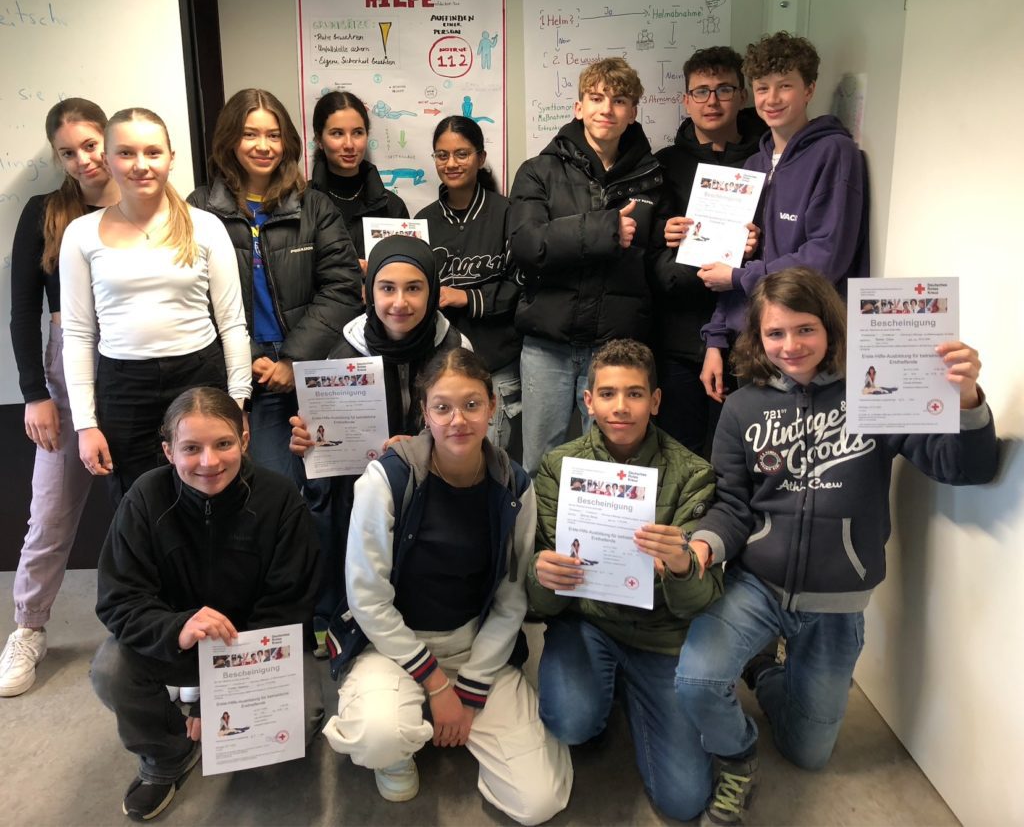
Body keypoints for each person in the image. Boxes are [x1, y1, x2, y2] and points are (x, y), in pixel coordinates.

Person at [675, 267, 998, 825]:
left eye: (805, 329)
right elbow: (732, 507)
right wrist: (703, 547)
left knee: (809, 754)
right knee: (697, 680)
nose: (791, 345)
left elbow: (964, 468)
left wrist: (967, 397)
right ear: (757, 337)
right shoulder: (742, 408)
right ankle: (739, 754)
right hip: (758, 586)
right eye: (775, 333)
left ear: (831, 328)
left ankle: (765, 672)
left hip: (838, 600)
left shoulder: (876, 392)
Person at [320, 348, 572, 824]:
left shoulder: (514, 485)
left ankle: (447, 711)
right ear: (424, 412)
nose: (458, 420)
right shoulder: (387, 479)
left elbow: (511, 600)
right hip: (390, 647)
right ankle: (399, 745)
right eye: (442, 407)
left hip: (473, 643)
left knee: (539, 801)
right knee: (380, 734)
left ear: (493, 406)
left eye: (472, 405)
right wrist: (436, 685)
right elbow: (367, 598)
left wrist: (470, 691)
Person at [90, 387, 323, 821]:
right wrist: (174, 628)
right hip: (178, 642)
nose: (209, 462)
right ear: (168, 451)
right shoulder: (144, 498)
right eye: (191, 448)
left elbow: (291, 601)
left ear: (245, 440)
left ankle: (210, 705)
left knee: (303, 721)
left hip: (256, 646)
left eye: (223, 443)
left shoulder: (280, 498)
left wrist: (220, 693)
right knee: (111, 669)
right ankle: (167, 754)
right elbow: (119, 598)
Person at [527, 339, 723, 822]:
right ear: (588, 400)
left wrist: (682, 567)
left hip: (660, 638)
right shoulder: (559, 467)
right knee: (571, 723)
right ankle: (605, 684)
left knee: (684, 801)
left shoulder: (694, 473)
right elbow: (541, 603)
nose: (620, 407)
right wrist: (542, 575)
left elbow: (698, 603)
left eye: (634, 394)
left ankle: (634, 692)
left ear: (655, 401)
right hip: (587, 623)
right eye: (608, 394)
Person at [60, 107, 251, 506]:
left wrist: (237, 402)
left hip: (199, 376)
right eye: (126, 153)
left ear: (170, 157)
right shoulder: (81, 234)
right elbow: (77, 334)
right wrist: (85, 424)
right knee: (137, 503)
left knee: (210, 497)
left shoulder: (206, 226)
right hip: (123, 387)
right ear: (107, 159)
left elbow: (233, 324)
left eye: (152, 152)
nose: (141, 165)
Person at [288, 234, 471, 652]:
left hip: (434, 482)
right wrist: (306, 443)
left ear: (433, 291)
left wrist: (423, 446)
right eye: (387, 288)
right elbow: (323, 452)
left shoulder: (456, 350)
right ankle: (339, 618)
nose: (399, 302)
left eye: (414, 288)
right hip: (359, 486)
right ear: (368, 292)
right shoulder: (342, 352)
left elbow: (474, 430)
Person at [2, 99, 120, 698]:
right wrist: (34, 394)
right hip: (63, 372)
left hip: (133, 364)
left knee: (147, 503)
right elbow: (23, 309)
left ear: (110, 139)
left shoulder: (142, 204)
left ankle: (149, 623)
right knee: (49, 512)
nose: (83, 160)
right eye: (67, 152)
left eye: (91, 145)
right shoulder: (45, 212)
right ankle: (28, 627)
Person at [188, 88, 362, 486]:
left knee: (330, 484)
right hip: (240, 369)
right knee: (271, 486)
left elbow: (342, 286)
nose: (263, 146)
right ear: (230, 140)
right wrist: (247, 357)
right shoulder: (198, 209)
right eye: (250, 134)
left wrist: (293, 360)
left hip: (314, 365)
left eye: (274, 135)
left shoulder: (313, 206)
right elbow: (190, 297)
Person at [510, 58, 662, 476]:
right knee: (541, 464)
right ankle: (540, 526)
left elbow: (656, 264)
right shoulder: (538, 171)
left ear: (632, 112)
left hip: (616, 348)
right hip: (547, 345)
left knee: (613, 464)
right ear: (579, 107)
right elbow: (526, 245)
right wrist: (604, 229)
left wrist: (682, 238)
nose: (606, 109)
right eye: (596, 98)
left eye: (619, 100)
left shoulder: (652, 179)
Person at [700, 32, 870, 405]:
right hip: (753, 340)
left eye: (785, 86)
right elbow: (730, 258)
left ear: (809, 89)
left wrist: (740, 277)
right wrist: (716, 339)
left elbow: (825, 257)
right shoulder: (753, 166)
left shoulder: (836, 154)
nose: (772, 99)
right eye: (763, 88)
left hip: (807, 345)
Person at [649, 46, 767, 454]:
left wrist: (754, 246)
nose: (712, 101)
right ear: (686, 100)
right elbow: (652, 261)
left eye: (724, 89)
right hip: (679, 341)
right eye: (701, 91)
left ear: (742, 95)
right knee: (679, 456)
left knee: (738, 458)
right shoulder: (664, 165)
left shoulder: (764, 161)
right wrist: (667, 234)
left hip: (748, 338)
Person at [416, 115, 522, 450]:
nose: (451, 163)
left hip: (497, 363)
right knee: (445, 459)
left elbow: (521, 288)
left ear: (480, 157)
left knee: (490, 458)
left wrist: (466, 297)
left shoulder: (508, 213)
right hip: (440, 367)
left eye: (461, 154)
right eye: (442, 155)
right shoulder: (423, 221)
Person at [307, 89, 408, 267]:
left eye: (357, 133)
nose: (349, 144)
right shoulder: (302, 203)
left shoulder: (391, 207)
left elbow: (408, 270)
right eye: (337, 133)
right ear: (319, 140)